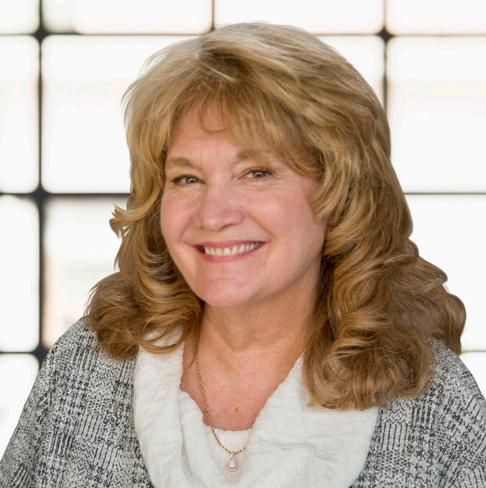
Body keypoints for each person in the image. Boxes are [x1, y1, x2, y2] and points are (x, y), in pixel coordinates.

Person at [1, 22, 485, 488]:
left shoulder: (434, 405)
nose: (213, 215)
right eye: (187, 178)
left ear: (339, 193)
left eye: (257, 173)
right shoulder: (88, 365)